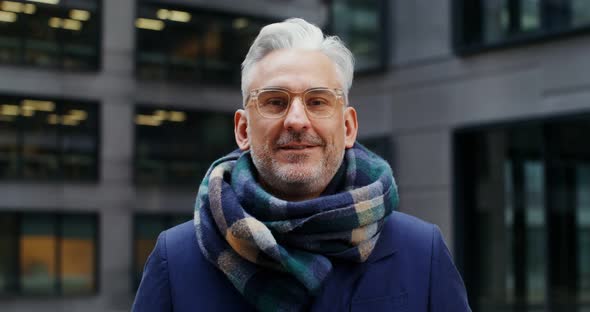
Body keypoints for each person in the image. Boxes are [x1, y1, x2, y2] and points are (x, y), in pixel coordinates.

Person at [132, 18, 471, 312]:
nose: (296, 120)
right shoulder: (176, 261)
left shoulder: (420, 253)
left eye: (318, 101)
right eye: (275, 102)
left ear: (349, 127)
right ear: (243, 129)